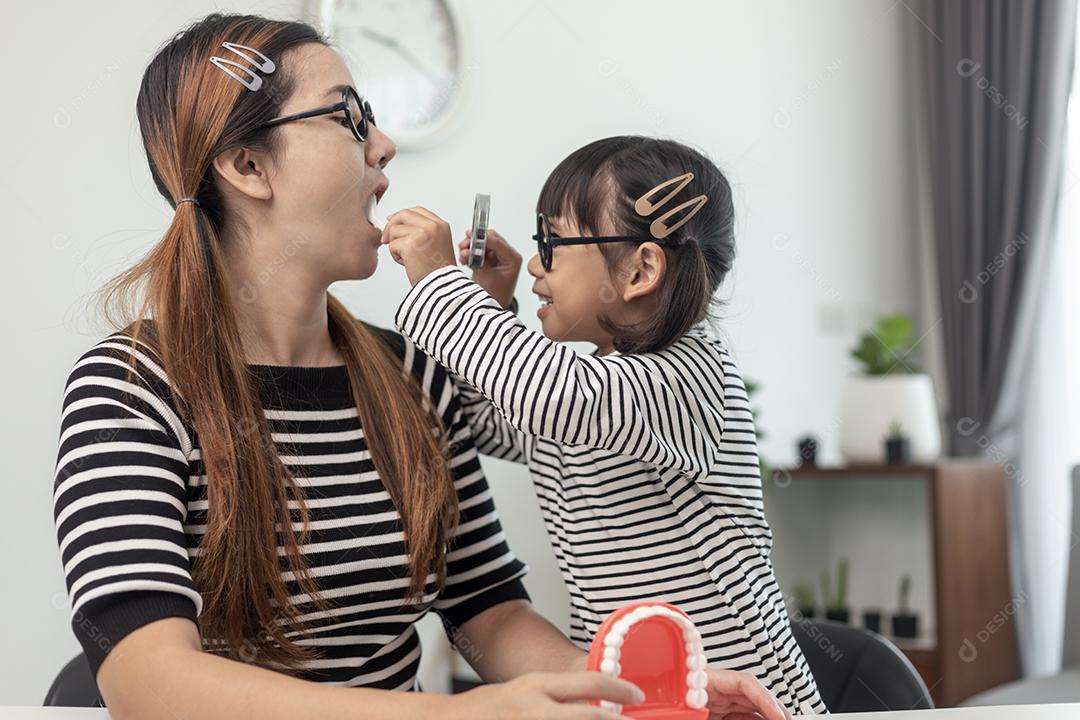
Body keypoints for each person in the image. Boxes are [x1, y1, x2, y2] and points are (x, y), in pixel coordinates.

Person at [52, 13, 790, 720]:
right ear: (248, 165)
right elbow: (147, 684)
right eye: (348, 118)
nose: (384, 146)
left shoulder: (410, 373)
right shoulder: (129, 389)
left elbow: (486, 612)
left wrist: (628, 693)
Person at [382, 136, 827, 715]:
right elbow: (491, 422)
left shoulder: (690, 376)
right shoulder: (595, 388)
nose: (537, 265)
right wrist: (494, 308)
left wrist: (443, 281)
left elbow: (550, 395)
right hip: (646, 694)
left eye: (554, 243)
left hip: (744, 699)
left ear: (641, 268)